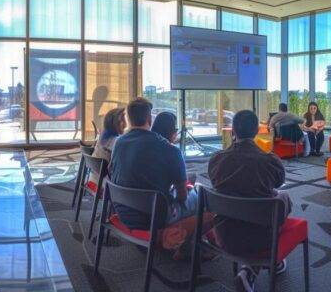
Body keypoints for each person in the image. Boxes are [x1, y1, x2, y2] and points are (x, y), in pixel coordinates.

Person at [208, 110, 291, 289]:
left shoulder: (216, 160)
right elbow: (279, 182)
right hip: (262, 238)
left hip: (224, 235)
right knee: (282, 198)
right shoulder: (270, 160)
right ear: (255, 132)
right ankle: (263, 264)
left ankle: (253, 269)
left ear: (232, 132)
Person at [109, 98, 198, 255]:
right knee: (203, 202)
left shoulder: (118, 143)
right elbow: (182, 197)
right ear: (150, 119)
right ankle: (176, 245)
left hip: (122, 211)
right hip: (153, 218)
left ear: (127, 118)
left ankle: (173, 239)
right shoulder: (169, 149)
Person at [90, 107, 125, 185]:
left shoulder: (103, 137)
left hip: (93, 180)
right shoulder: (115, 141)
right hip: (104, 187)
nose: (125, 123)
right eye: (122, 120)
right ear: (115, 123)